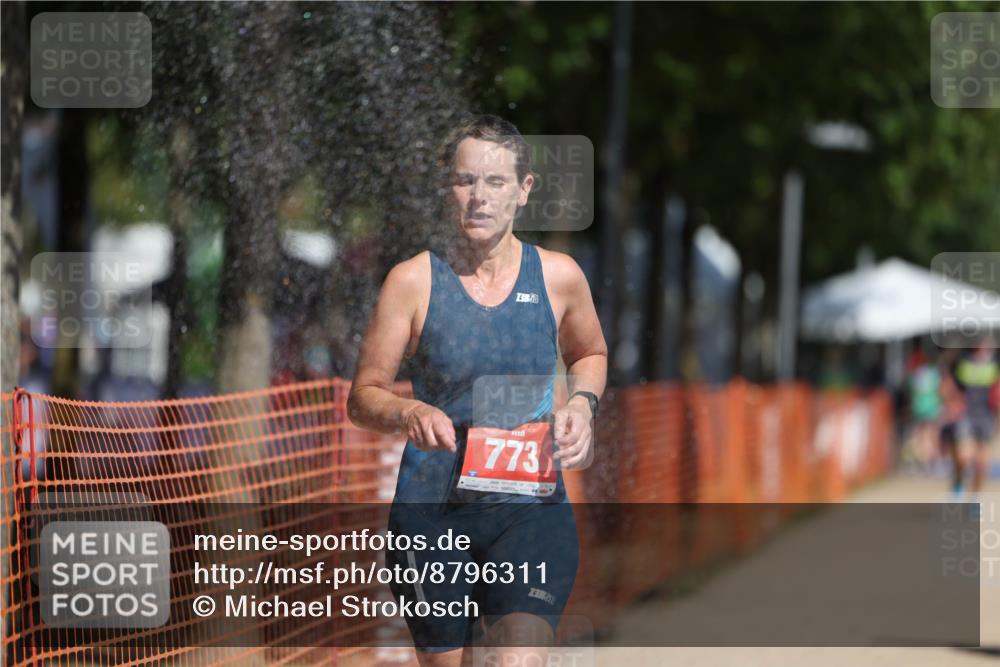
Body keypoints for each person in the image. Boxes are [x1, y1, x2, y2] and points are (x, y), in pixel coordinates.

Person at [347, 114, 607, 666]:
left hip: (529, 511)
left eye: (494, 182)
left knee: (518, 659)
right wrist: (409, 410)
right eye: (466, 181)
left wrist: (583, 406)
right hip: (432, 513)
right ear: (448, 188)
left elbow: (590, 353)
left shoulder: (558, 276)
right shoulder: (413, 281)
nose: (478, 197)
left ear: (523, 190)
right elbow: (364, 395)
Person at [945, 338, 999, 499]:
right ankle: (958, 483)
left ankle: (974, 498)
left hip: (986, 415)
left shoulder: (995, 364)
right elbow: (949, 385)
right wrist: (952, 403)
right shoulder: (962, 362)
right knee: (963, 457)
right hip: (966, 413)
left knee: (982, 464)